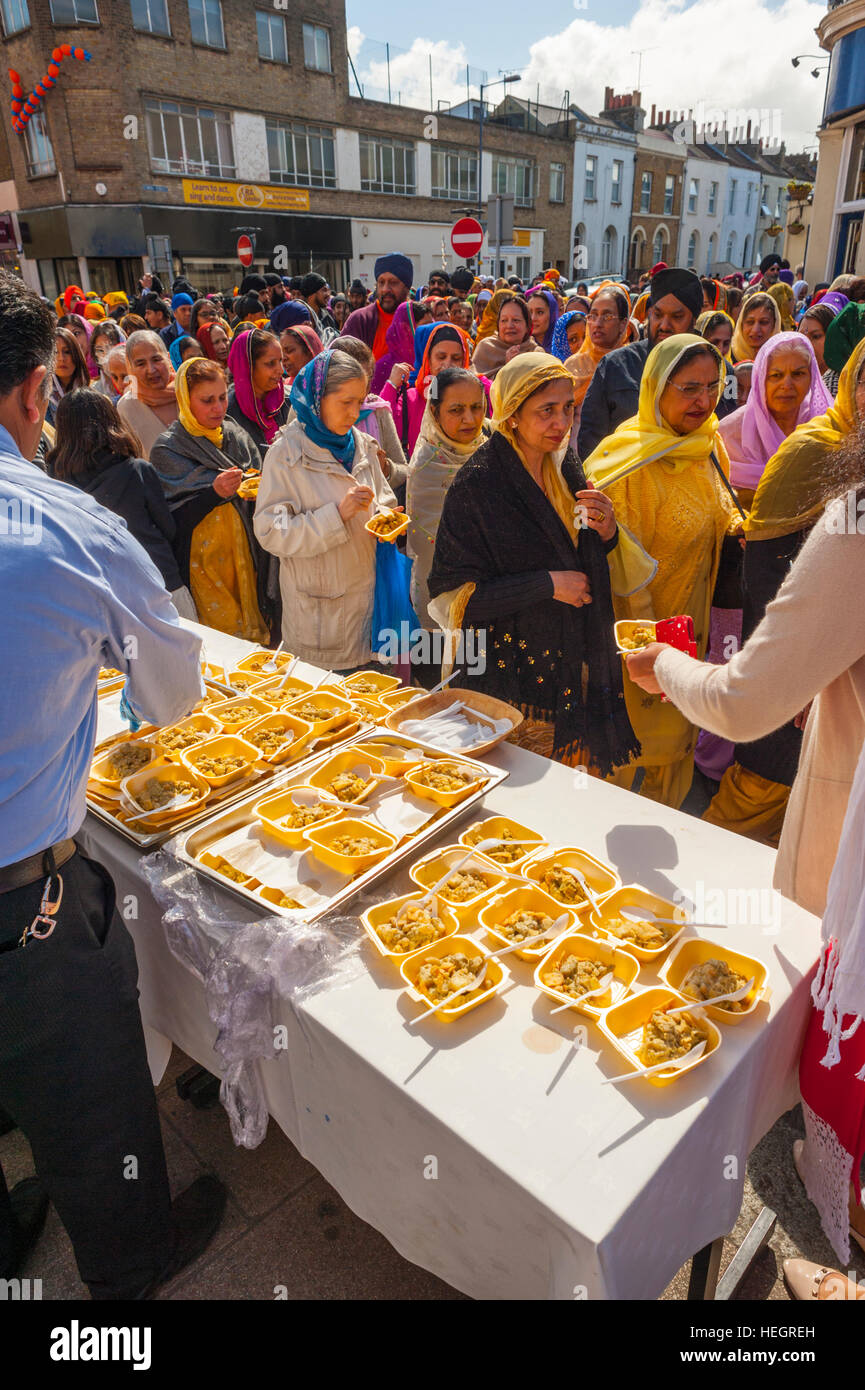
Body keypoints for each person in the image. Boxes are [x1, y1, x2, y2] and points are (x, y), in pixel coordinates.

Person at [0, 268, 226, 1300]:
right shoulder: (63, 523)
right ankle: (133, 1270)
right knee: (91, 1103)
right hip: (25, 906)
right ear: (33, 394)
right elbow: (174, 694)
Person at [427, 353, 641, 771]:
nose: (561, 423)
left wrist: (607, 530)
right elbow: (454, 599)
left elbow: (582, 553)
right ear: (511, 415)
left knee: (573, 787)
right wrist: (546, 585)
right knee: (523, 789)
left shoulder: (565, 466)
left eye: (568, 408)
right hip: (516, 675)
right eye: (546, 411)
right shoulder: (478, 486)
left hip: (573, 658)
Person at [698, 338, 865, 842]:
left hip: (849, 684)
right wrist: (801, 675)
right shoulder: (813, 453)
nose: (788, 386)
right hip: (801, 673)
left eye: (800, 374)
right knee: (755, 798)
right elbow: (768, 584)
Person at [583, 335, 738, 807]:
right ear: (655, 387)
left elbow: (719, 512)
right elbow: (603, 558)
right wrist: (645, 637)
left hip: (691, 626)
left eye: (712, 386)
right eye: (689, 388)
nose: (704, 400)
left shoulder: (708, 446)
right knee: (619, 759)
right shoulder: (624, 462)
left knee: (675, 751)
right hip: (631, 631)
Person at [254, 349, 399, 670]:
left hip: (369, 607)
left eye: (359, 402)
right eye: (344, 402)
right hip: (319, 617)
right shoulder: (286, 454)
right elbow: (270, 531)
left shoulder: (360, 444)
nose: (354, 413)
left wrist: (387, 517)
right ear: (318, 401)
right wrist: (336, 516)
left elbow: (383, 496)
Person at [151, 357, 269, 642]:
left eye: (221, 398)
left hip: (245, 550)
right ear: (185, 400)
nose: (218, 408)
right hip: (201, 560)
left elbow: (256, 474)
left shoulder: (234, 434)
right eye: (207, 401)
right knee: (221, 638)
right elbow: (170, 518)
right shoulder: (168, 449)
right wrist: (212, 492)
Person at [48, 388, 193, 613]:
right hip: (159, 581)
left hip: (102, 593)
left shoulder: (55, 482)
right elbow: (168, 529)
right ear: (111, 420)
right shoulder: (137, 471)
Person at [577, 268, 713, 457]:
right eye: (658, 315)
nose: (664, 325)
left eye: (676, 317)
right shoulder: (616, 366)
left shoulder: (716, 373)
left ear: (694, 320)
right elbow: (590, 443)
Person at [406, 366, 488, 648]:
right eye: (456, 410)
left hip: (492, 600)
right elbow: (427, 541)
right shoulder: (427, 466)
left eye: (477, 407)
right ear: (435, 412)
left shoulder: (491, 453)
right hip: (438, 604)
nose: (469, 418)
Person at [718, 332, 832, 510]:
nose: (787, 384)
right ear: (760, 379)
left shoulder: (825, 429)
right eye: (775, 375)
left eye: (798, 374)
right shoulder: (728, 434)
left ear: (812, 378)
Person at [382, 323, 485, 458]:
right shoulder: (412, 399)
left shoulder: (478, 396)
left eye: (456, 358)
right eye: (441, 357)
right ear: (428, 360)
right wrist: (391, 385)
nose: (448, 364)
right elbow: (383, 430)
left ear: (464, 362)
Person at [333, 335, 406, 486]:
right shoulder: (310, 413)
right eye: (355, 379)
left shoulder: (377, 410)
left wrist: (386, 469)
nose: (364, 388)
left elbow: (404, 470)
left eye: (369, 378)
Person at [340, 253, 414, 388]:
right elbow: (341, 366)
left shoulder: (417, 319)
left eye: (393, 283)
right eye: (381, 282)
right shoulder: (360, 320)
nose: (385, 289)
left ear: (407, 287)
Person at [567, 284, 632, 425]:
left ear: (623, 323)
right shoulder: (574, 365)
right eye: (593, 316)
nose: (597, 323)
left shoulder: (632, 363)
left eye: (607, 316)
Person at [225, 327, 289, 463]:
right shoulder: (227, 414)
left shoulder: (288, 401)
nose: (280, 370)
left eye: (280, 361)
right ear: (247, 366)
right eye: (271, 363)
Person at [117, 330, 178, 459]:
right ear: (130, 367)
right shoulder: (126, 407)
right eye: (141, 364)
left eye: (156, 359)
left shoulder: (188, 392)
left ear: (168, 358)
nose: (151, 369)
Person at [470, 296, 543, 380]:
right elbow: (475, 385)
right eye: (504, 320)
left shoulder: (536, 352)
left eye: (516, 320)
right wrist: (508, 369)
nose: (509, 326)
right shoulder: (486, 348)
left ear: (527, 326)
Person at [47, 327, 89, 426]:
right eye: (55, 352)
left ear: (76, 354)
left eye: (67, 352)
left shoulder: (91, 391)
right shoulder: (43, 397)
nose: (61, 358)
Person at [799, 296, 846, 382]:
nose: (806, 344)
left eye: (816, 336)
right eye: (801, 337)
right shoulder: (794, 381)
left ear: (833, 339)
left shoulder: (839, 385)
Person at [730, 291, 781, 362]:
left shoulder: (782, 358)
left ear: (775, 325)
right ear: (741, 324)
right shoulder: (728, 355)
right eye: (750, 322)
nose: (755, 330)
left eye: (763, 322)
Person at [89, 319, 126, 399]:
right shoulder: (95, 392)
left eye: (111, 348)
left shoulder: (137, 382)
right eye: (100, 350)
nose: (106, 356)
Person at [300, 273, 337, 342]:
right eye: (324, 290)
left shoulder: (327, 317)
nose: (328, 294)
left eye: (328, 290)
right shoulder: (300, 318)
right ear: (312, 294)